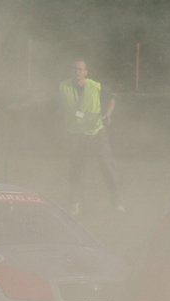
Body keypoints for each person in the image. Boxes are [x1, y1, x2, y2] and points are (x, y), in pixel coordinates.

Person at [59, 59, 124, 216]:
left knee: (108, 167)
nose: (77, 72)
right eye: (75, 69)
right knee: (76, 170)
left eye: (80, 69)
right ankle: (74, 204)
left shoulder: (96, 86)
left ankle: (116, 201)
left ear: (86, 72)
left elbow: (112, 99)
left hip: (96, 133)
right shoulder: (63, 87)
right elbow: (56, 105)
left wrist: (108, 114)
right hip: (76, 135)